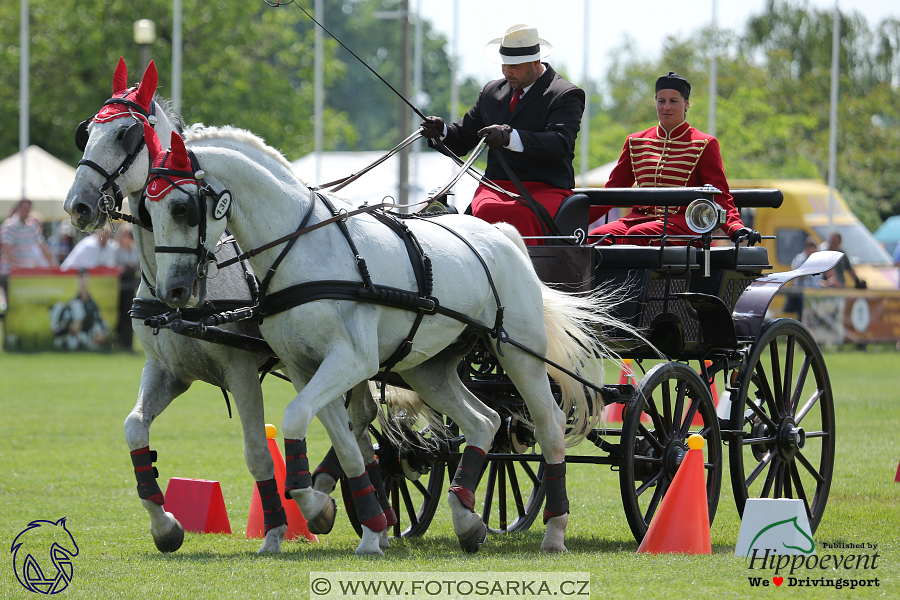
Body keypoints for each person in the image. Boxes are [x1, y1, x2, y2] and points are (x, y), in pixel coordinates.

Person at [420, 24, 584, 244]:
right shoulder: (491, 92)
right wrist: (441, 132)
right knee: (485, 210)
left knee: (521, 215)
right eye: (504, 64)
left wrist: (510, 137)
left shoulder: (565, 94)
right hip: (495, 187)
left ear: (536, 61)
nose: (507, 72)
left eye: (515, 66)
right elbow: (462, 139)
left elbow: (559, 144)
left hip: (545, 188)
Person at [587, 72, 760, 246]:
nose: (666, 107)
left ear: (686, 104)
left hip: (685, 225)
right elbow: (612, 191)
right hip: (638, 220)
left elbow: (720, 194)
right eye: (661, 101)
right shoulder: (636, 142)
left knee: (639, 234)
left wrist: (735, 227)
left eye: (673, 101)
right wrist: (573, 220)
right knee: (597, 237)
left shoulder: (704, 143)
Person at [49, 269, 108, 350]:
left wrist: (100, 334)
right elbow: (60, 326)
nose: (83, 280)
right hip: (74, 337)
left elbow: (97, 320)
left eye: (85, 277)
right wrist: (70, 326)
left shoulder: (93, 303)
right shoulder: (72, 302)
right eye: (80, 278)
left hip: (88, 337)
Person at [0, 199, 54, 285]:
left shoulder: (32, 225)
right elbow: (7, 248)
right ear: (18, 209)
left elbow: (42, 245)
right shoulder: (9, 226)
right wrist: (15, 266)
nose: (26, 210)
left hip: (26, 272)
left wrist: (52, 264)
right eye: (24, 208)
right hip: (10, 272)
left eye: (28, 208)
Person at [114, 225, 140, 351]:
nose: (127, 238)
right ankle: (117, 341)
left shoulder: (135, 250)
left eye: (129, 235)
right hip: (117, 286)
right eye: (125, 235)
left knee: (128, 314)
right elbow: (111, 266)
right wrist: (123, 268)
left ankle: (127, 343)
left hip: (130, 287)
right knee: (119, 314)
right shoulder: (115, 250)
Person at [785, 239, 820, 320]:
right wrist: (809, 268)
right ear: (807, 249)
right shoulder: (800, 259)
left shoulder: (816, 260)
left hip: (813, 295)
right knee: (800, 317)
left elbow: (816, 280)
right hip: (801, 294)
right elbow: (797, 276)